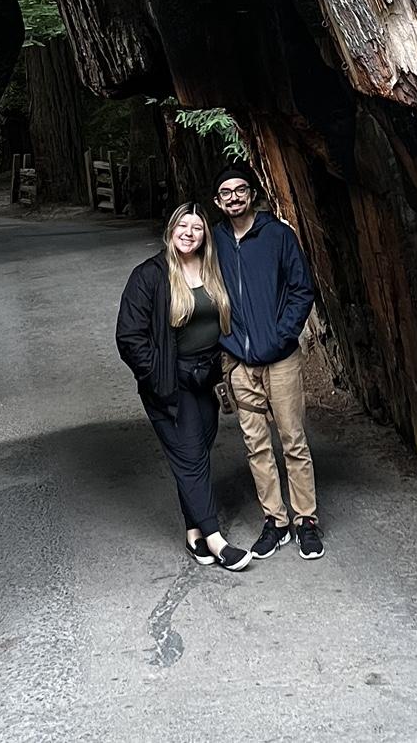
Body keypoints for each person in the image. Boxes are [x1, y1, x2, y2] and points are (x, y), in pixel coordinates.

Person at [115, 203, 252, 571]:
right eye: (182, 225)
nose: (189, 232)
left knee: (195, 454)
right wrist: (160, 375)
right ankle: (216, 540)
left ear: (205, 234)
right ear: (171, 229)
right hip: (170, 382)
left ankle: (193, 534)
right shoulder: (150, 275)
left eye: (197, 227)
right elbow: (129, 337)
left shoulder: (212, 269)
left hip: (205, 377)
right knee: (191, 454)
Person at [213, 163, 323, 560]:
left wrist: (282, 335)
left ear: (251, 193)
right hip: (241, 363)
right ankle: (275, 521)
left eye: (240, 190)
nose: (234, 197)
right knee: (256, 445)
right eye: (226, 193)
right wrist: (225, 342)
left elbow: (301, 289)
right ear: (218, 201)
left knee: (293, 440)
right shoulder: (216, 241)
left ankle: (305, 521)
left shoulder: (277, 235)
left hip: (281, 359)